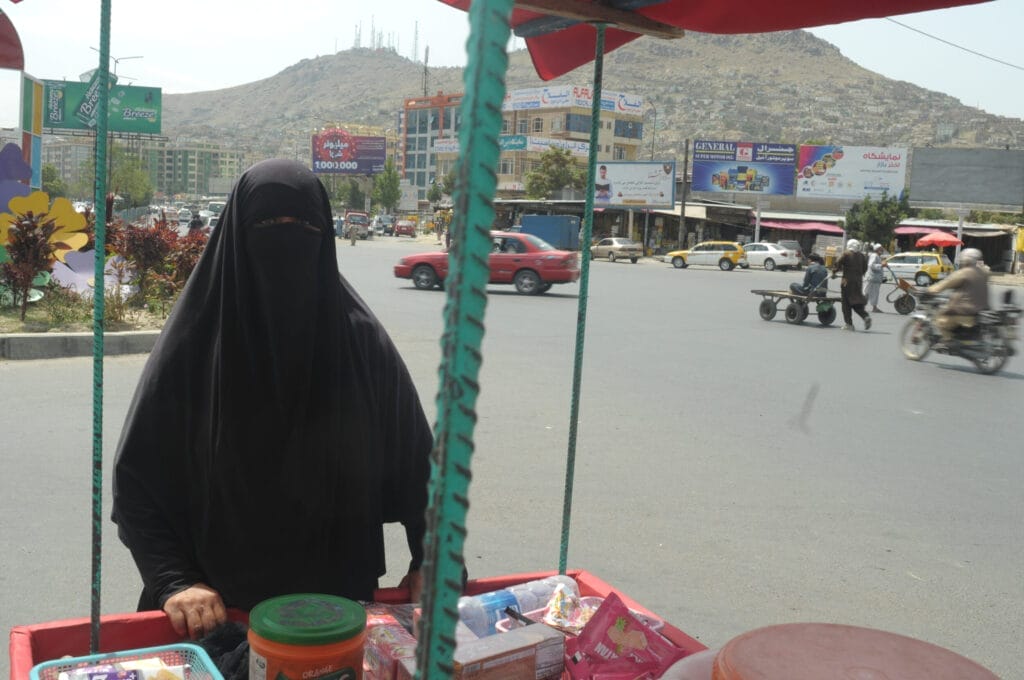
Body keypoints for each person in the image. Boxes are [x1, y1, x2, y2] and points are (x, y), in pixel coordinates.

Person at [111, 159, 433, 641]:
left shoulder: (360, 342)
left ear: (323, 238)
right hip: (215, 613)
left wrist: (433, 560)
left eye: (304, 226)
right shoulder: (196, 345)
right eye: (266, 225)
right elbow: (138, 478)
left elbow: (420, 468)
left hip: (340, 609)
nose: (286, 240)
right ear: (237, 236)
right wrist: (174, 580)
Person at [926, 247, 989, 342]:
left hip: (964, 311)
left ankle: (948, 340)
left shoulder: (964, 273)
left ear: (965, 261)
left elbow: (944, 284)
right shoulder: (983, 273)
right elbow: (985, 269)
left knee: (939, 320)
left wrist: (929, 290)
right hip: (979, 311)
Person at [831, 238, 871, 331]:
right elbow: (865, 268)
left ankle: (849, 324)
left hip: (847, 282)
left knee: (846, 303)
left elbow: (837, 263)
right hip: (858, 282)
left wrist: (834, 272)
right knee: (856, 301)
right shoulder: (861, 256)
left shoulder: (846, 254)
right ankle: (865, 316)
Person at [863, 243, 885, 313]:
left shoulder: (877, 256)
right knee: (866, 292)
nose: (882, 250)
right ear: (877, 249)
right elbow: (871, 265)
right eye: (881, 248)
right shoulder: (874, 255)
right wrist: (881, 265)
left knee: (874, 294)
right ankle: (861, 307)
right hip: (871, 278)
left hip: (875, 279)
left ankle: (874, 308)